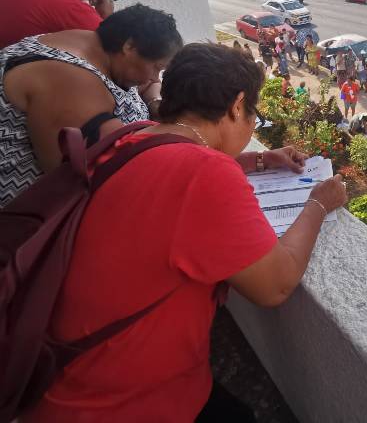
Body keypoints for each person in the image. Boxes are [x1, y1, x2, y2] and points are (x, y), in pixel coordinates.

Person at [23, 43, 348, 422]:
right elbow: (274, 284)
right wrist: (319, 204)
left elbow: (177, 165)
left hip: (65, 379)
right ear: (237, 105)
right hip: (125, 401)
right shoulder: (204, 173)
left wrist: (261, 159)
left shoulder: (136, 135)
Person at [0, 4, 182, 207]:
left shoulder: (90, 45)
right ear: (129, 46)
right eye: (156, 67)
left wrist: (153, 101)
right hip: (30, 219)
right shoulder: (70, 83)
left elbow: (143, 85)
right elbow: (81, 179)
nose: (154, 77)